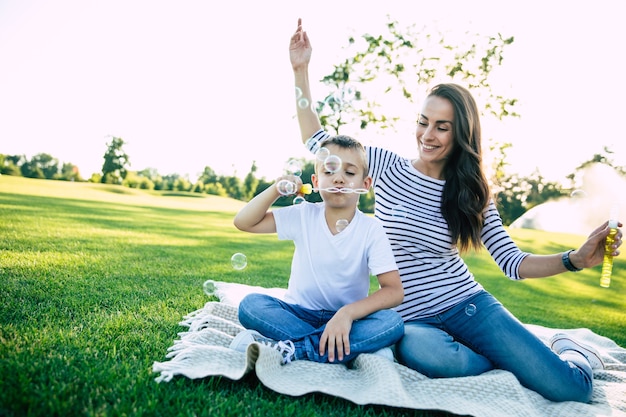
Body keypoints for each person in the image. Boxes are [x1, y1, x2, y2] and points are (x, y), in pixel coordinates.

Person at [288, 18, 622, 402]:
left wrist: (575, 259)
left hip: (468, 305)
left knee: (571, 390)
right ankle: (501, 363)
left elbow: (512, 263)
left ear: (461, 132)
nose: (427, 135)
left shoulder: (472, 193)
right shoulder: (382, 165)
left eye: (441, 127)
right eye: (423, 123)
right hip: (413, 321)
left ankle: (571, 351)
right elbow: (319, 143)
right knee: (420, 351)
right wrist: (301, 69)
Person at [229, 134, 405, 365]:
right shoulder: (304, 215)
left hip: (347, 320)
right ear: (315, 180)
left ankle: (295, 349)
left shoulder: (372, 229)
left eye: (349, 173)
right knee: (251, 305)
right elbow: (244, 222)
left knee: (392, 322)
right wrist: (276, 189)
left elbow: (394, 291)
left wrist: (347, 314)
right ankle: (338, 349)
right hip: (297, 314)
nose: (339, 179)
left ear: (365, 184)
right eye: (329, 172)